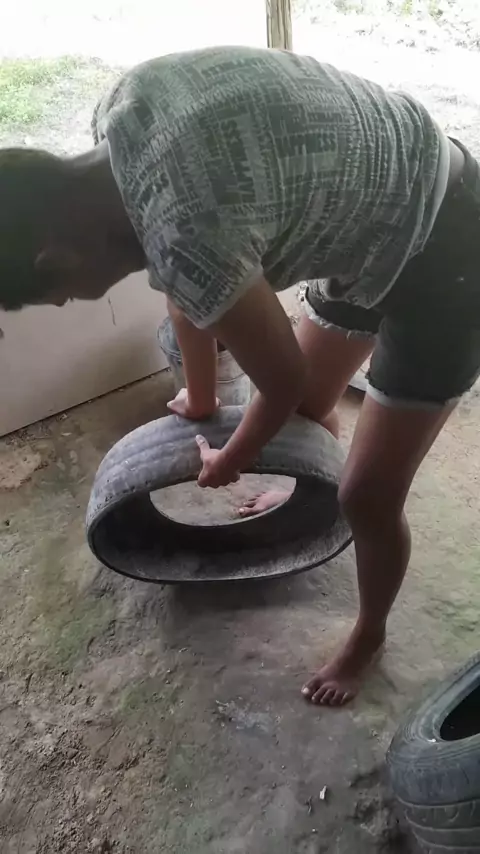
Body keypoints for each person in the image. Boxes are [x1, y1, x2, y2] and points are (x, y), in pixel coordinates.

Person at [1, 46, 479, 706]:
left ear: (56, 260)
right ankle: (305, 495)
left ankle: (369, 636)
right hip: (371, 202)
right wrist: (201, 399)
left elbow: (281, 377)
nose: (66, 304)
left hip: (448, 243)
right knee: (306, 416)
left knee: (368, 494)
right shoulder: (121, 122)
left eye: (56, 296)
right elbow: (179, 281)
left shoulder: (184, 232)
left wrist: (232, 458)